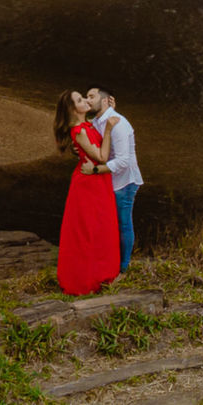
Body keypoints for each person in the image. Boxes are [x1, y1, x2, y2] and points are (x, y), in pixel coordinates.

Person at [53, 89, 121, 294]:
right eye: (80, 99)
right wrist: (108, 130)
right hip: (89, 183)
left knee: (100, 226)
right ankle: (87, 279)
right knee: (89, 229)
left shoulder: (85, 125)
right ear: (74, 109)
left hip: (95, 180)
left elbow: (93, 131)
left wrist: (109, 110)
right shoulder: (80, 130)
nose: (85, 100)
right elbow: (101, 156)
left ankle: (101, 274)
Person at [81, 86, 143, 273]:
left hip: (124, 182)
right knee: (108, 223)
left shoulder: (118, 123)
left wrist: (95, 170)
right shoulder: (99, 120)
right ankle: (109, 262)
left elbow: (124, 161)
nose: (88, 99)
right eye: (86, 97)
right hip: (110, 179)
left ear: (106, 100)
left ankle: (123, 267)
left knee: (123, 223)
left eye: (92, 96)